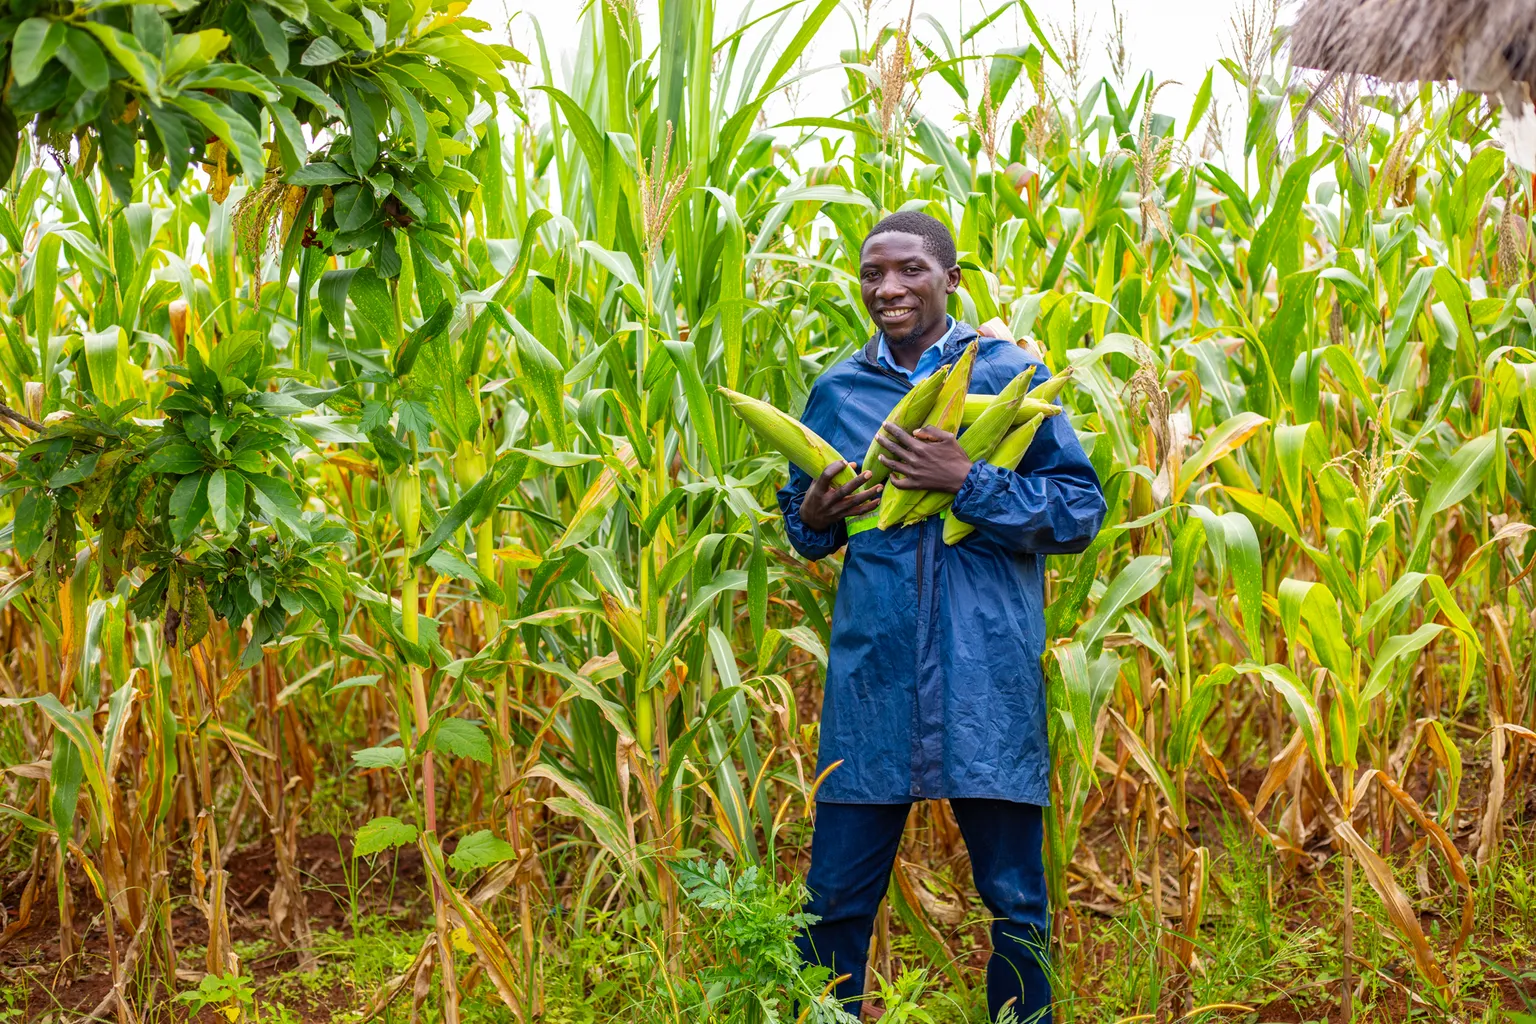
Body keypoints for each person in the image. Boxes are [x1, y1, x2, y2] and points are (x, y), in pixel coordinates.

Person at [777, 211, 1106, 1023]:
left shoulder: (1008, 376)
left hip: (983, 675)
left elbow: (1078, 513)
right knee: (832, 908)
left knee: (1016, 907)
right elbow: (803, 527)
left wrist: (970, 480)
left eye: (909, 270)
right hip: (874, 680)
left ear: (951, 279)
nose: (887, 288)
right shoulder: (838, 393)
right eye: (871, 274)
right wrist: (815, 513)